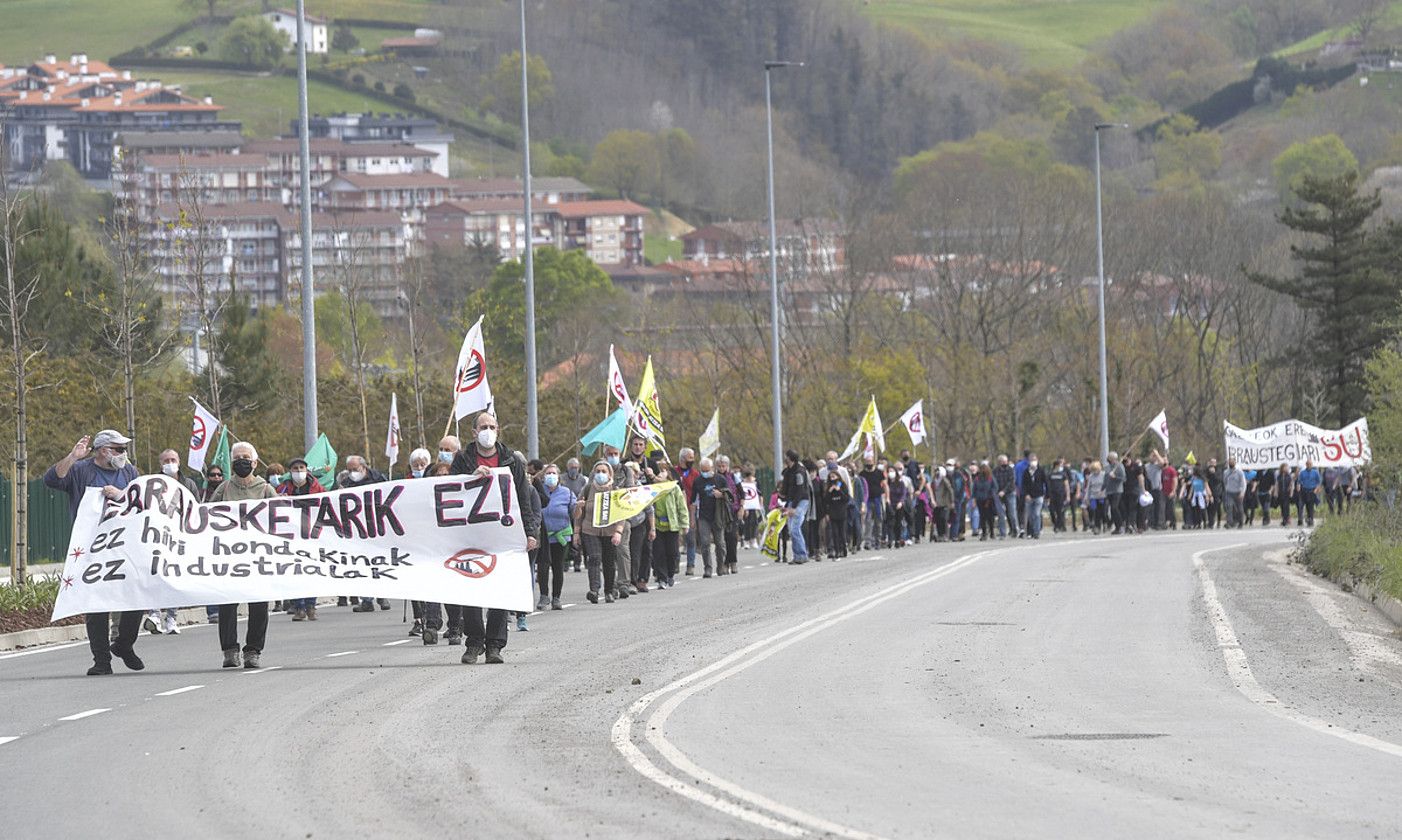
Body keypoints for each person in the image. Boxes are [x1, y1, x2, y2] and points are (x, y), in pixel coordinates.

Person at [45, 430, 145, 676]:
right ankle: (101, 660)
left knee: (137, 597)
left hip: (124, 547)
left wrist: (120, 496)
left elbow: (140, 501)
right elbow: (52, 479)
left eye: (124, 449)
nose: (123, 454)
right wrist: (72, 457)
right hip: (93, 549)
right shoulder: (82, 471)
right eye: (118, 449)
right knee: (96, 605)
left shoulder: (129, 472)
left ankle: (124, 644)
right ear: (103, 450)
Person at [450, 411, 540, 664]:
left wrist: (530, 532)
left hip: (504, 534)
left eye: (492, 426)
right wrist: (469, 478)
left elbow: (524, 498)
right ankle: (474, 642)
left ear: (498, 430)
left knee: (500, 589)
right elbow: (448, 490)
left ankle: (495, 645)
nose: (488, 430)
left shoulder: (510, 460)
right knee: (471, 588)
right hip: (471, 535)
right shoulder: (463, 460)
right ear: (474, 432)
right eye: (483, 426)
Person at [209, 441, 278, 669]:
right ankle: (229, 650)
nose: (241, 461)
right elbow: (207, 517)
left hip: (258, 558)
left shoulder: (266, 490)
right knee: (227, 604)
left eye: (246, 457)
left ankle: (253, 651)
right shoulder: (223, 489)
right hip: (230, 558)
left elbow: (281, 520)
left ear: (255, 462)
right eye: (237, 458)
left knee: (259, 606)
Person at [143, 448, 201, 635]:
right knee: (156, 574)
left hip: (181, 536)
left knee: (175, 576)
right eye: (166, 460)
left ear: (179, 461)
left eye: (173, 459)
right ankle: (154, 614)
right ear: (160, 464)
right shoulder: (153, 483)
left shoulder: (189, 484)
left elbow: (197, 509)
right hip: (159, 536)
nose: (170, 463)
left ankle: (171, 618)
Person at [275, 457, 326, 621]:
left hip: (312, 535)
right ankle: (299, 607)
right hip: (291, 537)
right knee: (294, 572)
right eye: (295, 468)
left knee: (311, 571)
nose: (298, 471)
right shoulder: (282, 489)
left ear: (307, 470)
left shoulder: (317, 488)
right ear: (290, 472)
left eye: (301, 468)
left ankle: (311, 605)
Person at [340, 454, 391, 613]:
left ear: (363, 467)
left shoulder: (378, 479)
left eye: (355, 469)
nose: (352, 473)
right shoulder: (346, 483)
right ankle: (367, 599)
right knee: (362, 563)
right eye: (349, 470)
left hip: (377, 527)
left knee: (378, 562)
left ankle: (382, 595)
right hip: (358, 529)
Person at [575, 460, 625, 602]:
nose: (600, 474)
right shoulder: (588, 489)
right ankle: (594, 590)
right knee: (594, 557)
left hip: (610, 531)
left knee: (609, 562)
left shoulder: (615, 490)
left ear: (610, 474)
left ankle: (609, 591)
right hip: (590, 530)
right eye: (598, 471)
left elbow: (622, 514)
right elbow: (578, 515)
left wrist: (618, 532)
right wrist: (576, 532)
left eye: (604, 471)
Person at [538, 463, 575, 610]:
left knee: (558, 566)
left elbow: (574, 513)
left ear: (559, 476)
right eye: (548, 473)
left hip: (560, 536)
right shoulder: (539, 490)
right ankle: (543, 596)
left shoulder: (567, 493)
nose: (551, 476)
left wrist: (578, 508)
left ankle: (556, 598)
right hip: (543, 536)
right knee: (543, 566)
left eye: (554, 473)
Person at [650, 462, 689, 587]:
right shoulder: (652, 489)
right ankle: (662, 578)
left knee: (672, 552)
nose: (660, 474)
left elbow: (682, 507)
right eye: (658, 472)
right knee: (659, 552)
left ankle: (670, 574)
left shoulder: (674, 488)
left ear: (668, 473)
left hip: (672, 525)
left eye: (663, 471)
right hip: (657, 525)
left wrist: (685, 524)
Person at [690, 457, 729, 578]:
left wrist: (721, 494)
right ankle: (708, 568)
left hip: (718, 515)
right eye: (703, 470)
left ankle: (721, 565)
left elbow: (730, 496)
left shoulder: (720, 479)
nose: (705, 473)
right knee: (705, 543)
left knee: (720, 544)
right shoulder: (698, 481)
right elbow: (693, 502)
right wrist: (692, 519)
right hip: (703, 516)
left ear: (712, 468)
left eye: (707, 470)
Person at [781, 450, 812, 564]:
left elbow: (800, 489)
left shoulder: (799, 471)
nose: (784, 458)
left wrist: (793, 507)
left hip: (800, 501)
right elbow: (786, 487)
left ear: (790, 458)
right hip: (791, 500)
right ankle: (797, 555)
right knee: (791, 529)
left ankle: (802, 554)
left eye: (786, 456)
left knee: (795, 528)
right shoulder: (788, 471)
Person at [561, 456, 588, 571]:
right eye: (572, 467)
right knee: (567, 538)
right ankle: (566, 561)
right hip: (566, 512)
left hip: (579, 511)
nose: (574, 470)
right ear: (568, 468)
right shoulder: (562, 479)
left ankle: (577, 562)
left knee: (578, 538)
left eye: (576, 467)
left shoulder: (583, 480)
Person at [823, 469, 850, 557]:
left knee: (842, 532)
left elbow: (846, 498)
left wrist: (839, 490)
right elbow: (826, 500)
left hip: (841, 511)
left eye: (834, 477)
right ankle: (837, 550)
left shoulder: (842, 485)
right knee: (834, 532)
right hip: (833, 512)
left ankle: (844, 549)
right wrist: (830, 491)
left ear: (838, 477)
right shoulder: (828, 487)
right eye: (830, 477)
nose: (832, 479)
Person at [1022, 454, 1048, 539]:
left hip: (1039, 495)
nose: (1033, 462)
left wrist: (1047, 495)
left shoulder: (1041, 470)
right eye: (1031, 460)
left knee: (1037, 514)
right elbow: (1024, 485)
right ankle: (1031, 531)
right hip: (1029, 496)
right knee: (1030, 515)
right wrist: (1026, 494)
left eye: (1034, 460)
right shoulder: (1026, 471)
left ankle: (1037, 532)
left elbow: (1046, 482)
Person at [972, 463, 997, 541]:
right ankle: (984, 533)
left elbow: (995, 487)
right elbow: (974, 489)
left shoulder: (990, 478)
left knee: (990, 517)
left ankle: (992, 531)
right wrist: (974, 499)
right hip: (980, 500)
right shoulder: (977, 479)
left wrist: (991, 495)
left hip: (989, 500)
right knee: (982, 517)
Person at [1104, 452, 1126, 535]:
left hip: (1117, 490)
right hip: (1109, 490)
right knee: (1112, 510)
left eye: (1109, 458)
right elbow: (1105, 478)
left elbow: (1123, 478)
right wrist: (1103, 488)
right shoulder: (1108, 467)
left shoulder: (1119, 466)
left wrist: (1115, 477)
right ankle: (1117, 527)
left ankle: (1121, 525)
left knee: (1114, 507)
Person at [1222, 458, 1247, 529]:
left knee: (1239, 508)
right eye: (1230, 462)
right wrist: (1227, 488)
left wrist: (1242, 492)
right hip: (1229, 492)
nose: (1231, 463)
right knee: (1229, 507)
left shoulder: (1239, 472)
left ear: (1235, 463)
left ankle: (1241, 522)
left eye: (1232, 462)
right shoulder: (1226, 472)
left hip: (1238, 492)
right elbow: (1225, 481)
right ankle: (1229, 522)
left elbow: (1243, 483)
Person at [1297, 459, 1322, 526]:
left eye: (1310, 464)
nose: (1309, 465)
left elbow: (1319, 482)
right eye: (1308, 464)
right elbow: (1299, 481)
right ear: (1306, 465)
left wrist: (1316, 489)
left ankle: (1310, 519)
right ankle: (1301, 519)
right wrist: (1298, 486)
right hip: (1304, 491)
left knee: (1310, 506)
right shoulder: (1302, 472)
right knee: (1301, 505)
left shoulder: (1315, 472)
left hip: (1312, 490)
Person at [1273, 462, 1294, 527]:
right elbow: (1277, 485)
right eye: (1285, 467)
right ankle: (1284, 519)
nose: (1286, 468)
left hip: (1287, 494)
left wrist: (1291, 493)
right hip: (1281, 493)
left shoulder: (1289, 476)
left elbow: (1291, 484)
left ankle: (1286, 519)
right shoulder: (1279, 476)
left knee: (1286, 506)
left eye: (1287, 467)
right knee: (1282, 507)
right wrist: (1276, 492)